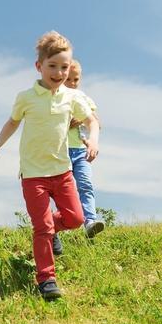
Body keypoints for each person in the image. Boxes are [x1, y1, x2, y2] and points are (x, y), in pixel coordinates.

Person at [0, 31, 99, 300]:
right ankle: (46, 278)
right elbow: (12, 123)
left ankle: (50, 228)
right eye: (52, 66)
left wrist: (93, 140)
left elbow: (91, 120)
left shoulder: (72, 97)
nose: (59, 73)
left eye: (64, 67)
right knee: (42, 228)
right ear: (39, 66)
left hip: (63, 171)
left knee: (76, 219)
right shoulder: (26, 97)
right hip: (33, 175)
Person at [65, 59, 105, 238]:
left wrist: (81, 119)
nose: (72, 83)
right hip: (61, 151)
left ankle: (90, 221)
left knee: (85, 184)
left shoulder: (83, 98)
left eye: (76, 80)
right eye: (69, 80)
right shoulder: (55, 98)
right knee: (65, 191)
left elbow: (97, 122)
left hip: (81, 150)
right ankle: (63, 222)